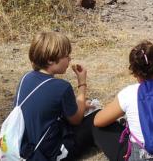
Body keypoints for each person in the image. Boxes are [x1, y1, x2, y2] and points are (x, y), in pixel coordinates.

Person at [13, 32, 95, 160]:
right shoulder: (62, 87)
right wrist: (82, 84)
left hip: (22, 149)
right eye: (66, 56)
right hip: (48, 154)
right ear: (50, 59)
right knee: (95, 118)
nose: (69, 59)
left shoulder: (26, 78)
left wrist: (81, 105)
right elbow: (76, 119)